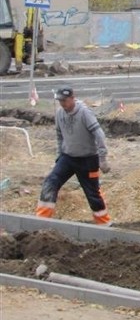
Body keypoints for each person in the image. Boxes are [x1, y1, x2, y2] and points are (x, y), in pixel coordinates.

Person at [36, 87, 112, 225]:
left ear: (72, 98)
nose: (62, 104)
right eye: (60, 101)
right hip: (68, 158)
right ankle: (41, 220)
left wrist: (102, 158)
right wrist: (59, 156)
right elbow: (59, 135)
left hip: (88, 159)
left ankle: (104, 224)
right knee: (50, 182)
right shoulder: (60, 113)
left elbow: (99, 135)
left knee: (92, 193)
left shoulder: (84, 113)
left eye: (65, 101)